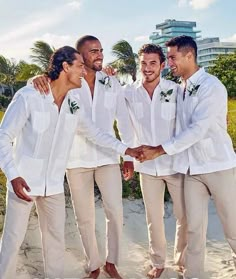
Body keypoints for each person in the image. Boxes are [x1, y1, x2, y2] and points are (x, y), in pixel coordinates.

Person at [0, 46, 139, 279]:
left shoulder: (74, 101)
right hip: (23, 182)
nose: (83, 73)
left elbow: (94, 133)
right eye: (79, 67)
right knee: (13, 239)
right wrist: (13, 175)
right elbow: (3, 137)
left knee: (55, 240)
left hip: (54, 185)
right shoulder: (29, 96)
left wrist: (127, 150)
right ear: (65, 67)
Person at [138, 35, 236, 279]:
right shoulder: (179, 88)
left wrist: (159, 150)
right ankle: (193, 274)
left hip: (217, 166)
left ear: (189, 55)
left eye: (172, 57)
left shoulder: (212, 86)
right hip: (191, 170)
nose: (168, 62)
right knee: (193, 228)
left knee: (232, 225)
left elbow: (198, 129)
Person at [124, 44, 187, 278]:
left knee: (184, 215)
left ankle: (183, 262)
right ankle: (158, 262)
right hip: (147, 167)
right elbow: (124, 125)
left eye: (152, 63)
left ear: (162, 65)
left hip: (175, 164)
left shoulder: (177, 90)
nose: (147, 68)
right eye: (143, 63)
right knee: (153, 217)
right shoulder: (128, 92)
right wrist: (127, 158)